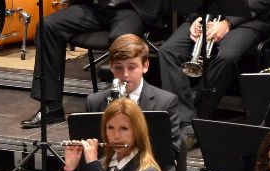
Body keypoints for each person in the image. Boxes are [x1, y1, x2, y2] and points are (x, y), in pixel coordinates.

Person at [21, 0, 166, 129]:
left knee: (120, 40)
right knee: (47, 27)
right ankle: (51, 107)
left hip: (130, 8)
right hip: (91, 7)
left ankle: (123, 107)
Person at [84, 33, 184, 171]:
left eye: (132, 67)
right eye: (118, 68)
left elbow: (169, 152)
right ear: (111, 67)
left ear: (145, 65)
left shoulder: (165, 102)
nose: (125, 75)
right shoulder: (95, 101)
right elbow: (97, 149)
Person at [158, 1, 270, 134]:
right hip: (207, 15)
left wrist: (228, 22)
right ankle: (183, 118)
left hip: (248, 20)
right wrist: (196, 17)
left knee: (227, 56)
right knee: (168, 51)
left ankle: (200, 115)